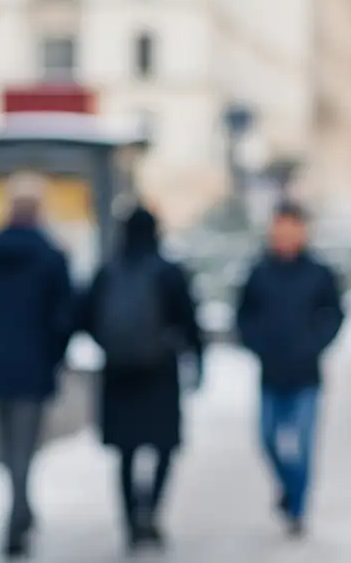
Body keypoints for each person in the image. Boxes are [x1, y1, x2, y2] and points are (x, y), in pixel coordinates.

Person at [0, 173, 73, 559]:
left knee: (8, 445)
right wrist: (54, 354)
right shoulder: (52, 256)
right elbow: (64, 315)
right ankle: (17, 517)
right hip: (35, 365)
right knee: (24, 445)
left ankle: (20, 508)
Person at [76, 207, 204, 550]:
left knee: (126, 451)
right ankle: (151, 512)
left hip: (118, 374)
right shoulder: (168, 271)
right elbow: (189, 320)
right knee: (162, 447)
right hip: (160, 372)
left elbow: (84, 316)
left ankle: (131, 519)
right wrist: (194, 356)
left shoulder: (108, 271)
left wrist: (110, 345)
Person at [235, 201, 344, 537]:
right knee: (267, 439)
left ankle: (297, 509)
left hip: (306, 377)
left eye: (289, 227)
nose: (282, 234)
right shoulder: (258, 271)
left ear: (302, 230)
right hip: (270, 374)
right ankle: (288, 489)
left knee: (301, 446)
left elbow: (335, 313)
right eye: (277, 227)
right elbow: (243, 315)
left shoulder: (319, 272)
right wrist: (258, 345)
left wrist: (314, 343)